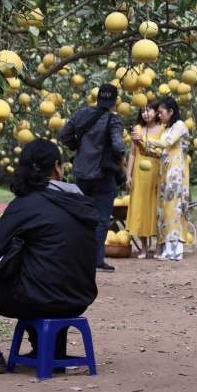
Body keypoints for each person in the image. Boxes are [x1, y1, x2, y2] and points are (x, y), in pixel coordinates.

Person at [0, 139, 99, 373]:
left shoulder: (26, 204)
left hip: (41, 297)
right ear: (56, 167)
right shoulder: (80, 201)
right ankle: (48, 350)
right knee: (37, 267)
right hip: (78, 298)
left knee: (26, 277)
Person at [60, 83, 126, 273]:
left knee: (79, 217)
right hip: (103, 174)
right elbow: (118, 145)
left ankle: (75, 257)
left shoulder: (81, 114)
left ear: (98, 98)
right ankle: (96, 261)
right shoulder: (114, 120)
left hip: (81, 173)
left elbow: (64, 134)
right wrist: (120, 158)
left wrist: (76, 147)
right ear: (115, 101)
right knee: (102, 219)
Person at [132, 97, 189, 261]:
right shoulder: (167, 129)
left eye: (161, 112)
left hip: (177, 173)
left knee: (174, 208)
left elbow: (165, 144)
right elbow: (158, 153)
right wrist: (142, 147)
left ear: (171, 111)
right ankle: (166, 249)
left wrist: (145, 138)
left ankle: (175, 251)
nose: (159, 116)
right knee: (164, 210)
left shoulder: (179, 126)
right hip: (165, 173)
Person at [125, 102, 162, 258]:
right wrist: (128, 175)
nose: (145, 113)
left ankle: (159, 246)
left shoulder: (162, 130)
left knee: (156, 208)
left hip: (156, 172)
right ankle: (144, 247)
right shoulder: (137, 129)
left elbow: (162, 152)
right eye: (142, 111)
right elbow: (133, 154)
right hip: (140, 174)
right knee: (141, 208)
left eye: (149, 110)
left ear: (156, 111)